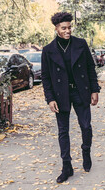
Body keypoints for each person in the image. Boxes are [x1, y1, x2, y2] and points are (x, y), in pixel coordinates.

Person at [41, 12, 100, 183]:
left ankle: (86, 151)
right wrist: (50, 99)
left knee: (86, 126)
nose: (68, 31)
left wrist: (94, 90)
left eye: (69, 27)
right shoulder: (48, 50)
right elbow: (45, 77)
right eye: (64, 28)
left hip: (80, 91)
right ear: (56, 29)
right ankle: (67, 166)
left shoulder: (80, 44)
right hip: (60, 95)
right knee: (62, 131)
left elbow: (90, 68)